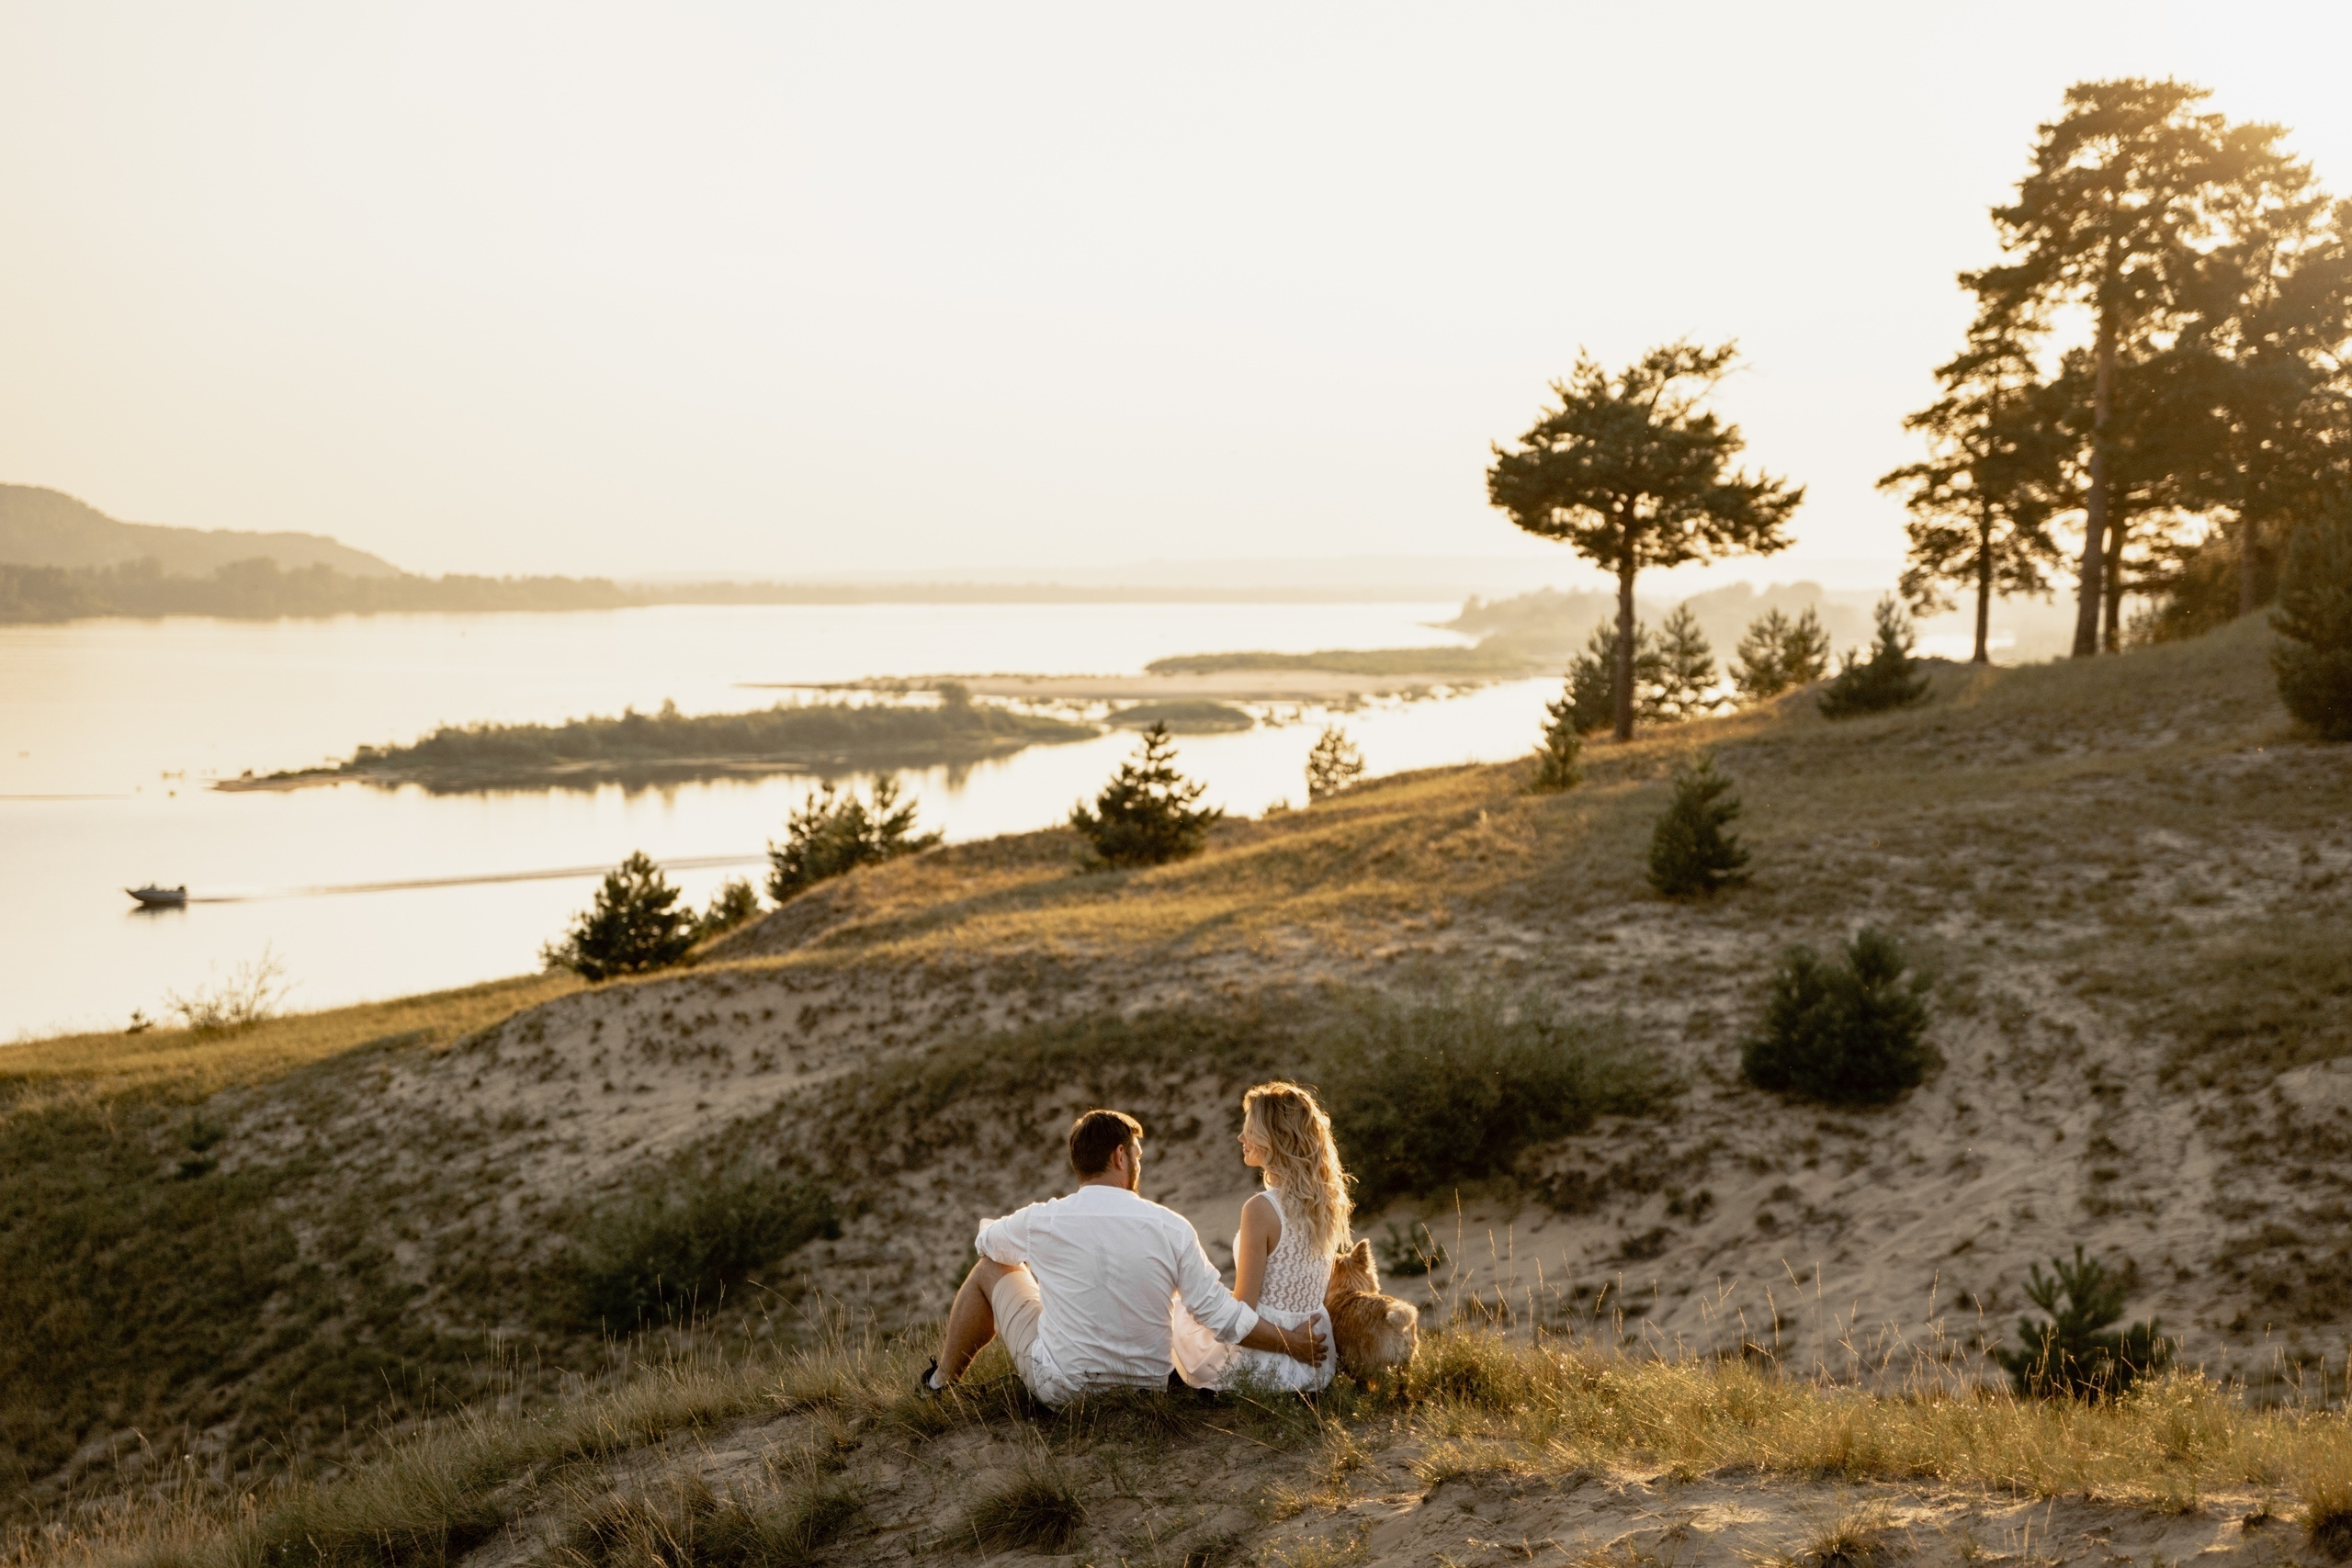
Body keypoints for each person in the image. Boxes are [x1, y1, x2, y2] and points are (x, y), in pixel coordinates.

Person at [922, 1108, 1326, 1404]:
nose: (1138, 1164)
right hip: (1147, 1387)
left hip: (1065, 1389)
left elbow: (987, 1244)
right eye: (1137, 1156)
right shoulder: (1170, 1225)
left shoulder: (1043, 1220)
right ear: (1120, 1157)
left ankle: (940, 1384)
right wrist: (1291, 1343)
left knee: (991, 1267)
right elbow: (1221, 1315)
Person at [1172, 1081, 1349, 1393]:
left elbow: (1245, 1312)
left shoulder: (1261, 1209)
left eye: (1250, 1131)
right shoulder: (1329, 1202)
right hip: (1317, 1361)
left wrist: (1207, 1309)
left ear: (1275, 1139)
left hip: (1269, 1359)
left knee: (1176, 1311)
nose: (1241, 1138)